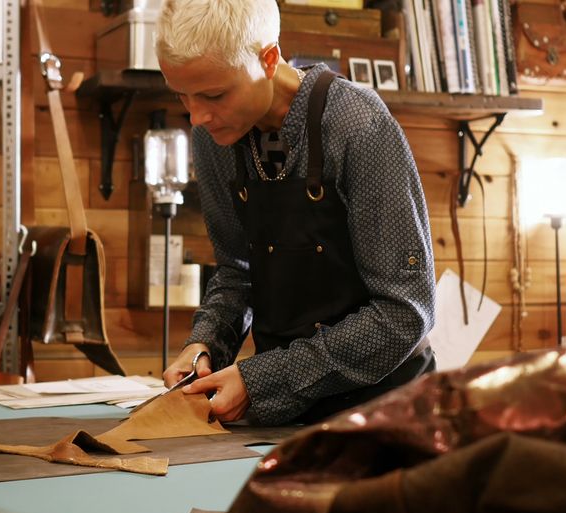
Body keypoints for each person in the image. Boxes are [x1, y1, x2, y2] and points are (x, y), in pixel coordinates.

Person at [154, 0, 436, 426]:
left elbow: (405, 312)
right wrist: (205, 345)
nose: (197, 116)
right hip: (284, 416)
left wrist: (263, 379)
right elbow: (237, 273)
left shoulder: (358, 126)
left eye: (213, 94)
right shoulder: (214, 137)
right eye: (182, 95)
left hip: (388, 414)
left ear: (268, 58)